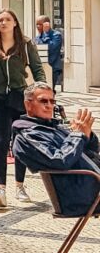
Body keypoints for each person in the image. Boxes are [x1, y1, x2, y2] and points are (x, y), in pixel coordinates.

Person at [0, 7, 46, 210]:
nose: (2, 23)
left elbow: (37, 67)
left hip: (19, 98)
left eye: (7, 19)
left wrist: (42, 89)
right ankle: (1, 190)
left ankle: (20, 186)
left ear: (15, 22)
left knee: (19, 143)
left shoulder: (25, 43)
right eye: (0, 20)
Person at [13, 83, 100, 215]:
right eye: (43, 101)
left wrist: (87, 135)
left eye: (52, 101)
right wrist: (77, 135)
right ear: (28, 104)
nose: (49, 106)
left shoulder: (52, 127)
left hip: (90, 186)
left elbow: (90, 152)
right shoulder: (28, 135)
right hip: (80, 196)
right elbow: (61, 161)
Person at [35, 15, 64, 93]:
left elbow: (51, 48)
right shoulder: (37, 38)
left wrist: (46, 34)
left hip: (53, 67)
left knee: (49, 90)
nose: (38, 27)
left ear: (46, 25)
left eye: (40, 24)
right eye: (36, 24)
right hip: (41, 68)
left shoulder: (56, 35)